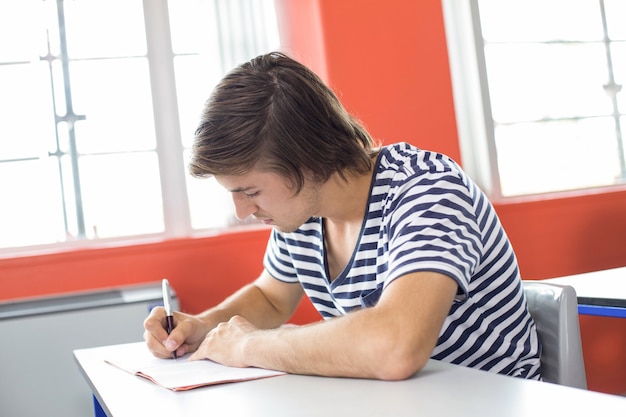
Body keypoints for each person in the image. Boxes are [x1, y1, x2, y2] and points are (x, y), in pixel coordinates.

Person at [143, 51, 541, 381]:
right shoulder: (301, 215)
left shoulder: (427, 191)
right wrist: (205, 326)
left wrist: (248, 345)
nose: (243, 211)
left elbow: (396, 346)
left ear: (309, 162)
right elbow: (269, 298)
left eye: (250, 192)